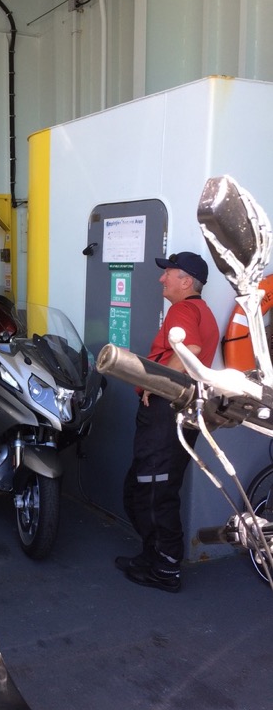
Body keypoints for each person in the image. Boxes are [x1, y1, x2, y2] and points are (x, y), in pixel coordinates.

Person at [116, 251, 219, 593]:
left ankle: (166, 569)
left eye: (169, 273)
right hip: (177, 413)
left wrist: (153, 383)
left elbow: (188, 345)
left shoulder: (185, 309)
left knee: (155, 491)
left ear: (186, 281)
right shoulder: (202, 311)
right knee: (142, 488)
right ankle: (152, 555)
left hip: (167, 412)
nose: (162, 278)